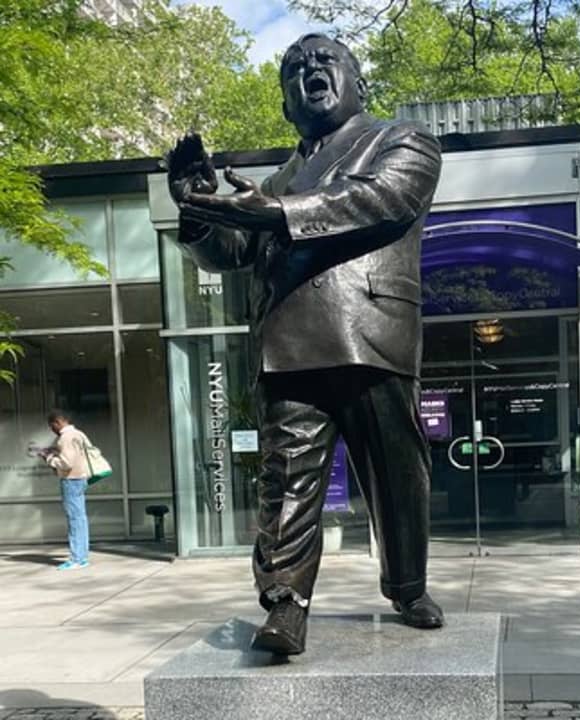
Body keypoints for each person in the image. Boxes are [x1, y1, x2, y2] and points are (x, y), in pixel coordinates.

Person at [166, 33, 444, 655]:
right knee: (286, 482)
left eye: (325, 61)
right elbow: (233, 253)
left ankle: (408, 585)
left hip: (371, 337)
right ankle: (285, 603)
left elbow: (381, 200)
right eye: (295, 68)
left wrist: (274, 213)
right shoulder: (278, 179)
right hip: (288, 346)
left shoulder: (401, 140)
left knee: (397, 477)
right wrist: (198, 208)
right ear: (286, 104)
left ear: (357, 83)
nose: (311, 71)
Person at [39, 410, 92, 570]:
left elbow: (66, 463)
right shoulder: (79, 434)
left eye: (51, 426)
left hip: (71, 479)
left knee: (74, 520)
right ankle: (82, 557)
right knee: (80, 519)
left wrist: (49, 458)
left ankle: (76, 558)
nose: (52, 430)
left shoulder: (65, 438)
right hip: (81, 477)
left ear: (58, 422)